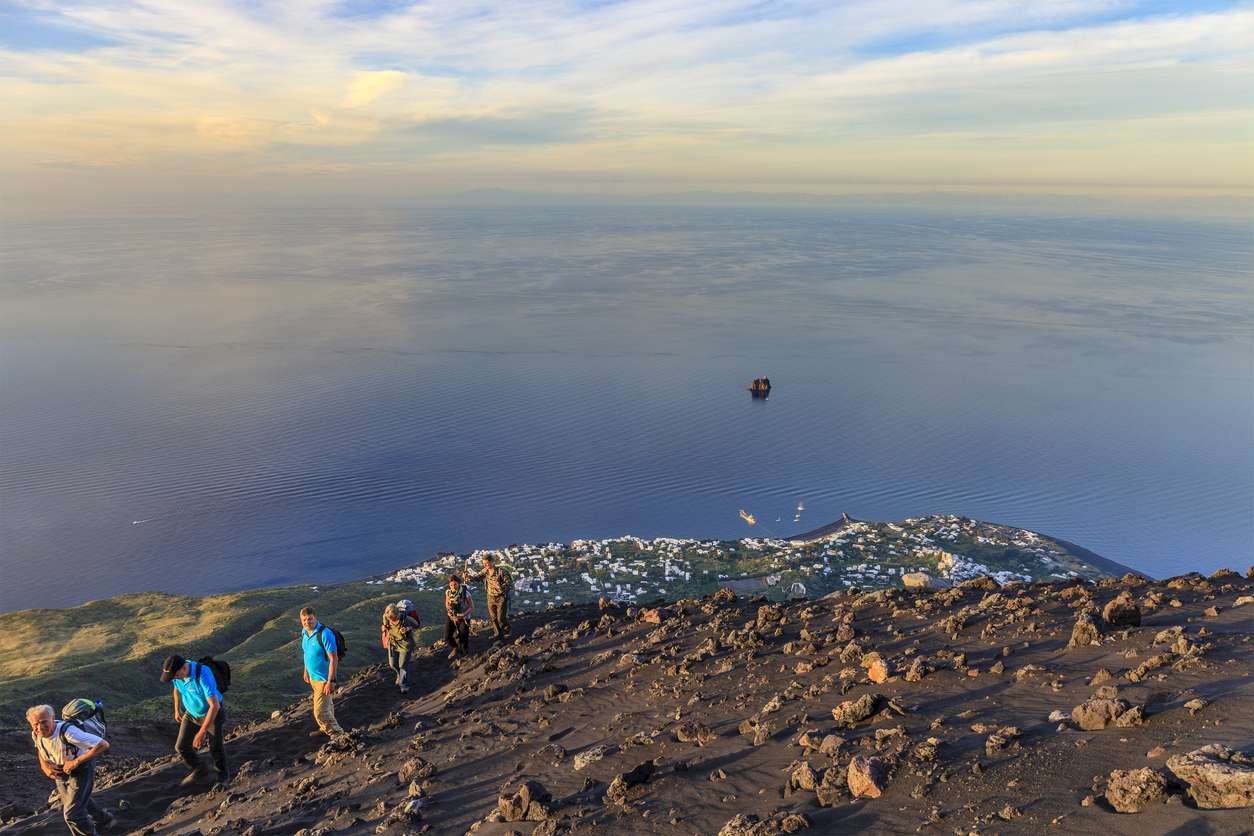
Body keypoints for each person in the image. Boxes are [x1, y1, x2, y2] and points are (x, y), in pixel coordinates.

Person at [28, 704, 115, 836]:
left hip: (82, 769)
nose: (39, 728)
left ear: (52, 718)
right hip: (61, 771)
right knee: (75, 801)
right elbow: (40, 747)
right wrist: (44, 765)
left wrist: (76, 762)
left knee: (72, 814)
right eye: (35, 724)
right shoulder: (37, 734)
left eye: (44, 722)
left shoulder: (69, 732)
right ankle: (104, 819)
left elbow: (103, 745)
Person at [161, 655, 228, 788]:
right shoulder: (178, 675)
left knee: (216, 747)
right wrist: (177, 709)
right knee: (181, 747)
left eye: (174, 675)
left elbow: (215, 705)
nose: (173, 678)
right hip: (191, 714)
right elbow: (177, 689)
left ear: (184, 668)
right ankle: (200, 768)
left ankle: (222, 778)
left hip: (212, 714)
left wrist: (202, 732)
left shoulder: (203, 674)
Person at [300, 606, 345, 738]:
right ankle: (325, 728)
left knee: (320, 712)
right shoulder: (305, 632)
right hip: (313, 677)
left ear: (316, 618)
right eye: (304, 620)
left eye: (310, 619)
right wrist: (306, 671)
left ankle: (338, 734)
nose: (307, 623)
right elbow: (306, 653)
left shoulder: (325, 634)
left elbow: (333, 658)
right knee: (327, 705)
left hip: (324, 678)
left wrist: (330, 681)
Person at [464, 552, 513, 645]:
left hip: (501, 597)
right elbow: (476, 578)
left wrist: (500, 587)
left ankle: (508, 629)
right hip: (490, 597)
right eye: (484, 564)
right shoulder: (485, 571)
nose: (485, 565)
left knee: (501, 619)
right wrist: (467, 577)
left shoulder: (500, 571)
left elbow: (509, 583)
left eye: (487, 563)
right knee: (494, 618)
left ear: (492, 561)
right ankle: (498, 634)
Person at [381, 603, 420, 693]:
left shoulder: (406, 618)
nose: (391, 620)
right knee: (393, 664)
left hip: (405, 643)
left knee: (403, 665)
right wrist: (383, 627)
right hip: (393, 642)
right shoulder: (386, 617)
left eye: (393, 619)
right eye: (389, 619)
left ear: (398, 615)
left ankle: (404, 685)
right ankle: (400, 676)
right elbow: (384, 626)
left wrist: (406, 628)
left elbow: (416, 624)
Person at [443, 574, 473, 659]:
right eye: (451, 585)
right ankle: (455, 647)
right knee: (447, 636)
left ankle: (464, 655)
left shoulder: (465, 593)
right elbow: (447, 604)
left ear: (458, 583)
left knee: (463, 636)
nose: (453, 587)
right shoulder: (448, 592)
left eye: (455, 584)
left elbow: (471, 607)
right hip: (452, 616)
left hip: (463, 616)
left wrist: (462, 616)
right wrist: (449, 612)